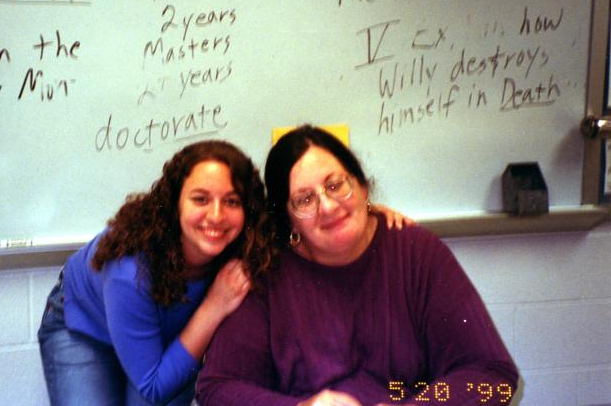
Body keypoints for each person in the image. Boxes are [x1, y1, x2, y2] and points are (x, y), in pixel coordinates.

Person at [38, 139, 410, 406]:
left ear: (248, 209)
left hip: (171, 339)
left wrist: (365, 211)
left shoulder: (247, 236)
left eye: (231, 201)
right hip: (87, 328)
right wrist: (215, 304)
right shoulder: (129, 269)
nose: (216, 216)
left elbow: (302, 217)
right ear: (174, 202)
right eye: (200, 199)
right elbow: (154, 387)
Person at [196, 125, 519, 406]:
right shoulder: (267, 272)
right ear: (288, 219)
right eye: (304, 200)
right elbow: (217, 388)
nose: (327, 206)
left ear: (362, 186)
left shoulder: (416, 253)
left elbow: (493, 377)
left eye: (336, 185)